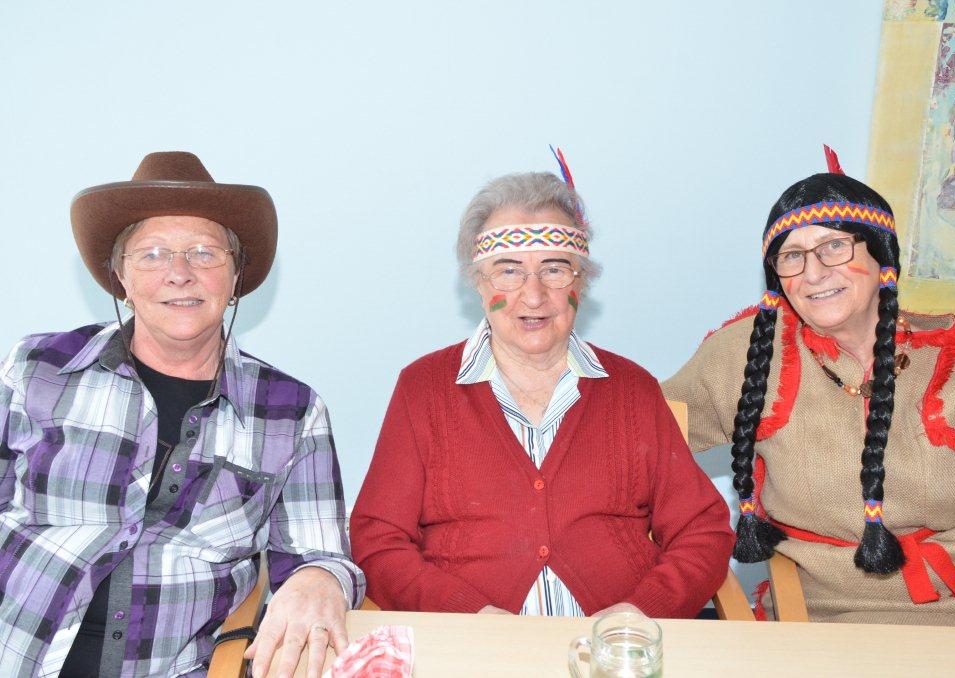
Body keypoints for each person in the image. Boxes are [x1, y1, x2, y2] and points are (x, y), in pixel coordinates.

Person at [0, 152, 364, 677]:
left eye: (204, 253)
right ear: (121, 277)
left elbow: (321, 552)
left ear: (235, 277)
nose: (179, 274)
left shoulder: (292, 412)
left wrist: (321, 578)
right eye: (151, 254)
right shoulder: (37, 367)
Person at [350, 158, 732, 619]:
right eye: (508, 271)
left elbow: (703, 531)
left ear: (581, 282)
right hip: (473, 645)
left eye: (554, 269)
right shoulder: (423, 389)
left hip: (614, 646)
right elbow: (378, 539)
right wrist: (467, 615)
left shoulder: (632, 389)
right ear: (478, 283)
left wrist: (639, 613)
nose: (533, 296)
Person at [662, 147, 955, 625]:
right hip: (810, 620)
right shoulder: (748, 353)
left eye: (834, 246)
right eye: (792, 256)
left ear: (881, 256)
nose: (813, 273)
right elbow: (635, 434)